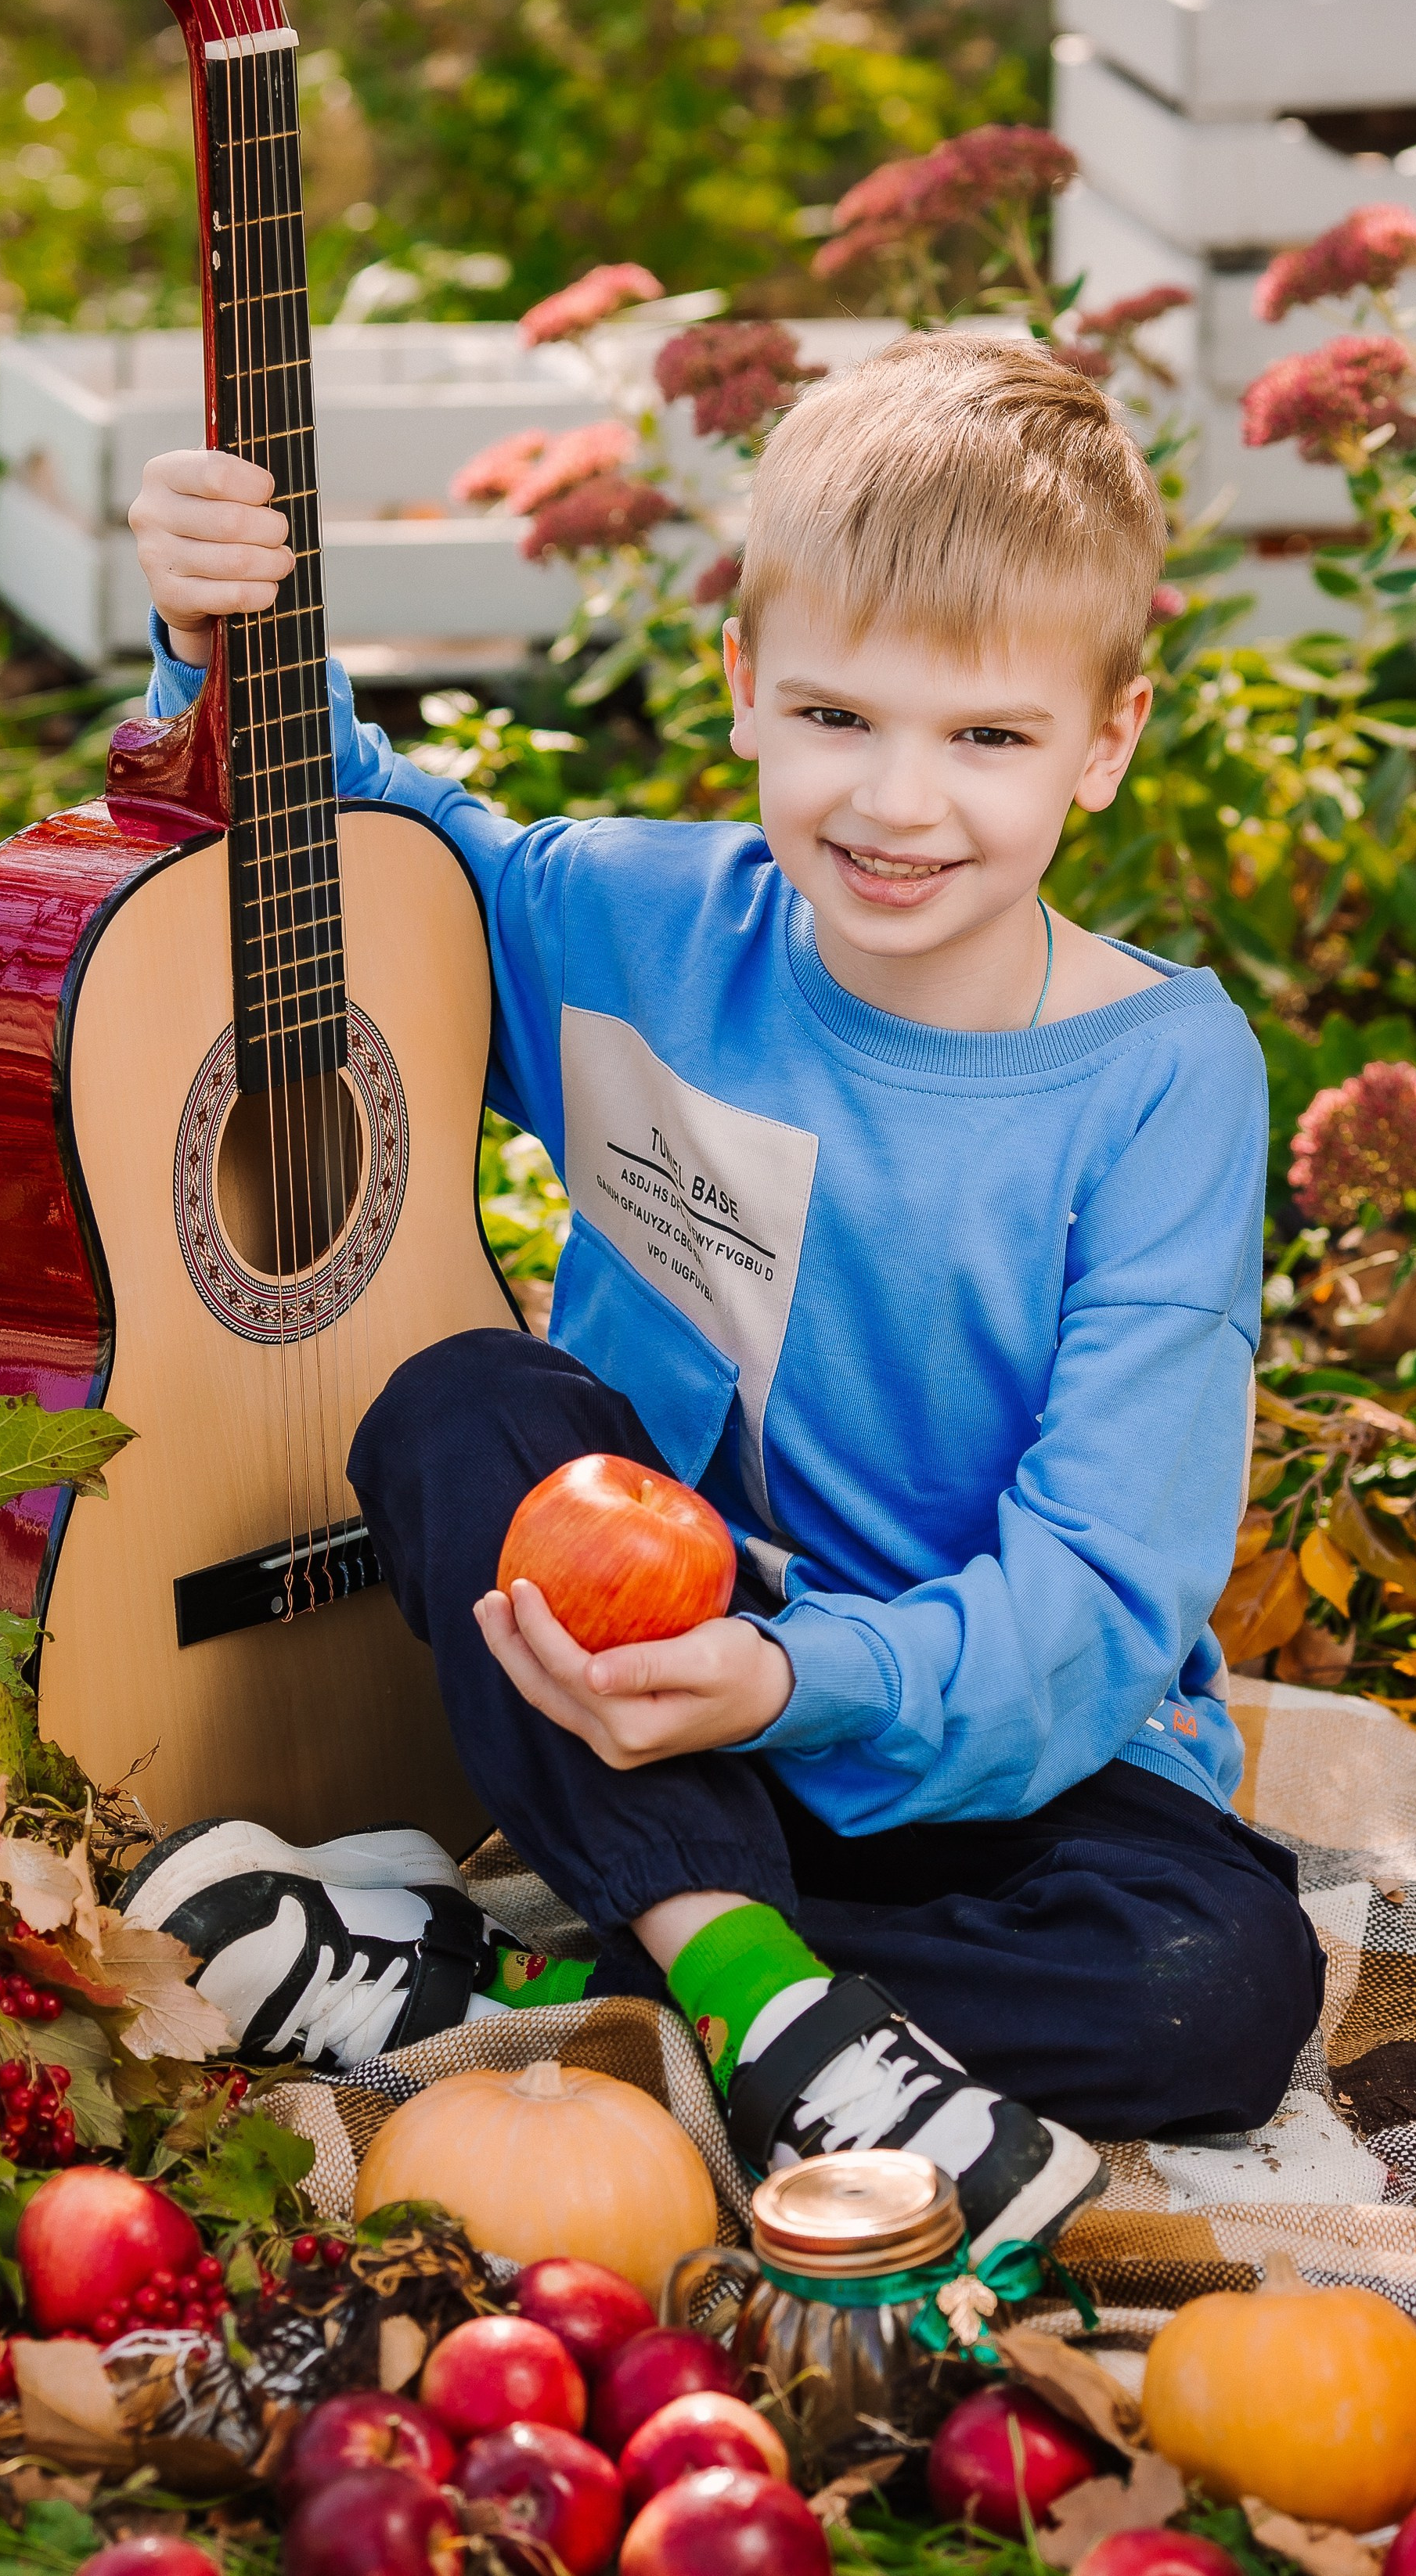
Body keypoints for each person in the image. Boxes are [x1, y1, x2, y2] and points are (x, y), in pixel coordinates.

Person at [121, 333, 1322, 2261]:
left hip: (998, 1737)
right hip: (650, 1683)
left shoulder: (1160, 1078)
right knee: (461, 1402)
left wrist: (795, 1681)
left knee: (1215, 1990)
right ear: (746, 682)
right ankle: (762, 1995)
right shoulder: (631, 927)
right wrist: (215, 639)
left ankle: (517, 1968)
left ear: (1104, 742)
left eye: (987, 737)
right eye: (837, 714)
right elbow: (343, 840)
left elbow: (1100, 1602)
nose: (898, 802)